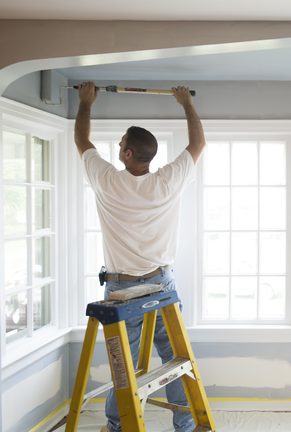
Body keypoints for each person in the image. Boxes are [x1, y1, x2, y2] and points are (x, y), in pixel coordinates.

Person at [75, 81, 205, 432]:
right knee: (174, 357)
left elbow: (82, 142)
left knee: (124, 363)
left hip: (122, 288)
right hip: (161, 282)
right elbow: (197, 144)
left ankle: (118, 429)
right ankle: (187, 426)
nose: (118, 148)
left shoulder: (107, 181)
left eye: (121, 145)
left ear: (129, 154)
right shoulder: (167, 181)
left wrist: (86, 103)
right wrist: (185, 105)